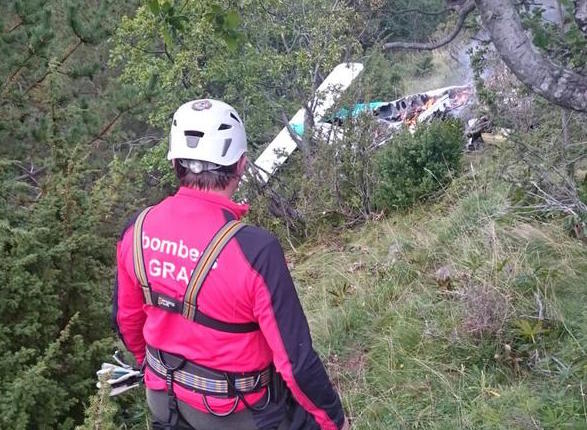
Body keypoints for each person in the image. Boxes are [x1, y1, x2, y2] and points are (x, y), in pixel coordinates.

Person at [113, 99, 349, 430]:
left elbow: (126, 321)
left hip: (164, 400)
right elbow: (295, 362)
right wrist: (332, 421)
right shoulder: (255, 250)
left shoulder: (136, 231)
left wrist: (156, 371)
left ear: (176, 163)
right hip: (236, 411)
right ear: (240, 164)